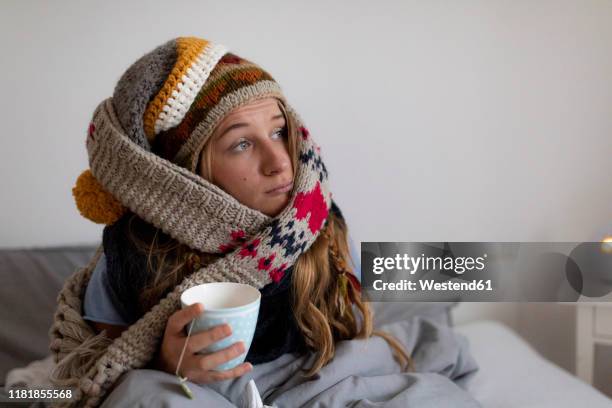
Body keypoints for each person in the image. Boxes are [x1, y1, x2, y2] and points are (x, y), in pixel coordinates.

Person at [50, 36, 411, 406]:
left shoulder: (316, 218)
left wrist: (465, 268)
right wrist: (164, 363)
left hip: (318, 380)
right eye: (242, 144)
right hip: (203, 394)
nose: (280, 162)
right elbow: (94, 379)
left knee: (428, 349)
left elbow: (387, 273)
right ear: (183, 173)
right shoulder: (133, 255)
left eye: (279, 131)